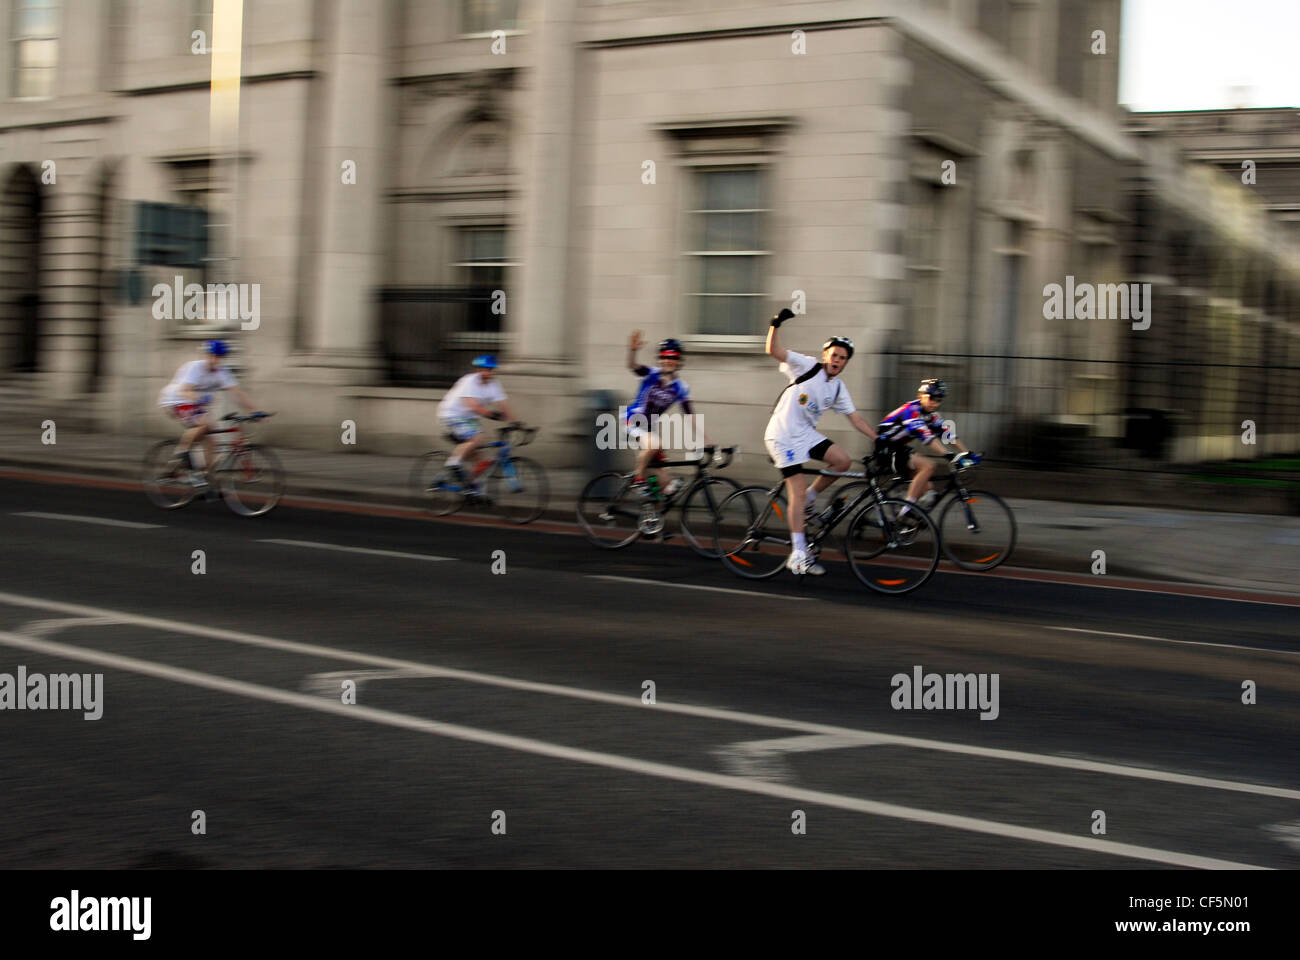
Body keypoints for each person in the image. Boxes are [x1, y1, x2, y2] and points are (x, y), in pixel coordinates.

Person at [763, 308, 879, 575]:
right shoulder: (807, 365)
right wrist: (775, 324)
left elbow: (855, 418)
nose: (837, 360)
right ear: (826, 355)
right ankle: (798, 554)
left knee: (842, 461)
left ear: (845, 363)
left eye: (843, 358)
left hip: (805, 434)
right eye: (834, 355)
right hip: (782, 435)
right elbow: (774, 351)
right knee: (797, 492)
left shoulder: (837, 387)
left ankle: (811, 501)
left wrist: (879, 439)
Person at [157, 340, 262, 492]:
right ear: (206, 355)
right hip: (175, 400)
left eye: (219, 357)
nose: (215, 360)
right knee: (205, 425)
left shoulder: (222, 371)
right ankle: (182, 451)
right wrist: (200, 399)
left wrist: (254, 410)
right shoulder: (195, 367)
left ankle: (205, 478)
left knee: (211, 438)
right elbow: (185, 391)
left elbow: (237, 392)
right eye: (212, 356)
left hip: (195, 404)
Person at [624, 331, 710, 500]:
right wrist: (632, 351)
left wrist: (706, 440)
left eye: (673, 357)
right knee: (655, 444)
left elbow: (689, 415)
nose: (668, 360)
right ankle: (638, 479)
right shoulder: (651, 374)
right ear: (660, 359)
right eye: (665, 357)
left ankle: (653, 518)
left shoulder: (681, 387)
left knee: (663, 479)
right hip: (633, 420)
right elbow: (632, 366)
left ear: (679, 361)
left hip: (649, 428)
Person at [876, 379, 977, 516]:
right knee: (929, 466)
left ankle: (901, 521)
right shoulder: (911, 410)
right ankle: (906, 510)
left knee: (927, 489)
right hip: (886, 449)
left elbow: (948, 435)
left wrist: (967, 452)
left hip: (899, 449)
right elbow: (927, 437)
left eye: (939, 399)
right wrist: (948, 454)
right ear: (921, 396)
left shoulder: (932, 416)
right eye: (931, 398)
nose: (934, 402)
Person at [437, 354, 516, 497]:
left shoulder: (494, 384)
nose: (487, 373)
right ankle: (452, 464)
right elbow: (472, 405)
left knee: (481, 462)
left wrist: (515, 422)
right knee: (477, 439)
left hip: (469, 419)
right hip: (452, 415)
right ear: (477, 370)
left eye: (490, 370)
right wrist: (492, 414)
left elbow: (503, 405)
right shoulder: (469, 381)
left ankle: (473, 491)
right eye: (483, 369)